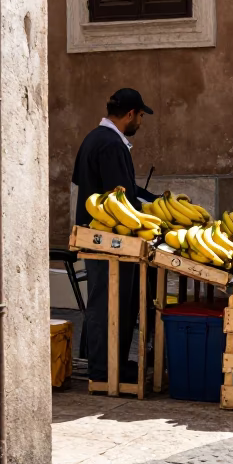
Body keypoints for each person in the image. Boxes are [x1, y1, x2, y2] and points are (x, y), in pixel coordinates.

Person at [72, 88, 158, 384]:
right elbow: (121, 197)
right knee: (113, 305)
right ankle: (105, 370)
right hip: (110, 239)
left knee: (105, 303)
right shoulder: (111, 144)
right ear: (131, 114)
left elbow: (82, 182)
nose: (141, 123)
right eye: (141, 116)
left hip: (95, 236)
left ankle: (111, 366)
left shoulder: (93, 138)